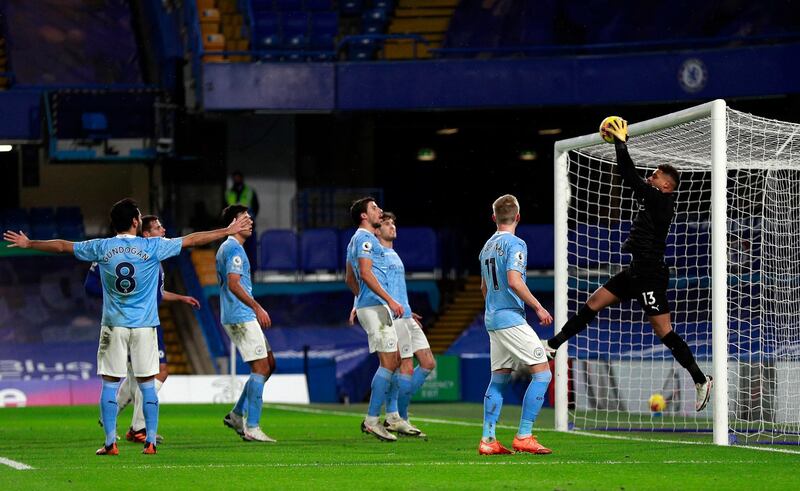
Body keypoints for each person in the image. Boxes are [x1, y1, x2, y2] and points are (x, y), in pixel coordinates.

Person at [4, 198, 252, 456]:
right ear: (135, 222)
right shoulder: (153, 246)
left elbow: (62, 246)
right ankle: (151, 441)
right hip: (145, 326)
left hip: (113, 326)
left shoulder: (101, 247)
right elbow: (192, 239)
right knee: (147, 384)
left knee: (110, 384)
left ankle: (111, 443)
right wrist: (226, 231)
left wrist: (30, 243)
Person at [544, 117, 713, 411]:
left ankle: (700, 379)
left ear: (667, 185)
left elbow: (627, 173)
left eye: (657, 175)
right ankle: (553, 345)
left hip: (650, 274)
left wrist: (621, 142)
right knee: (594, 301)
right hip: (636, 270)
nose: (651, 176)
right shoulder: (653, 197)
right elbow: (633, 177)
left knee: (663, 331)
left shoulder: (661, 200)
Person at [94, 216, 200, 444]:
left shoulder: (152, 256)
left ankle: (115, 416)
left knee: (136, 376)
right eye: (158, 227)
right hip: (138, 322)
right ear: (146, 234)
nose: (163, 229)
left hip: (141, 320)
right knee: (157, 372)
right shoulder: (139, 253)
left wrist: (180, 297)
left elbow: (157, 292)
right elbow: (92, 285)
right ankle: (138, 427)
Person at [478, 194, 554, 456]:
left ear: (494, 218)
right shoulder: (516, 243)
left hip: (492, 318)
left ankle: (488, 439)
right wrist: (538, 306)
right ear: (518, 217)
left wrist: (494, 309)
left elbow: (484, 288)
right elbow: (514, 280)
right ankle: (524, 435)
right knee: (543, 373)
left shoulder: (486, 247)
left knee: (499, 379)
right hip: (510, 317)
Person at [350, 212, 436, 438]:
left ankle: (396, 415)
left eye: (393, 223)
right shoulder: (375, 252)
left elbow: (393, 286)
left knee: (427, 363)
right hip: (392, 314)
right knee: (403, 366)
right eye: (387, 223)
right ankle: (397, 416)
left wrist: (407, 309)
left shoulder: (393, 253)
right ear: (377, 230)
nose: (392, 227)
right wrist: (357, 303)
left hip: (404, 313)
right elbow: (364, 277)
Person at [344, 197, 404, 442]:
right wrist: (389, 300)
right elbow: (365, 273)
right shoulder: (366, 239)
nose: (379, 210)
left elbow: (350, 278)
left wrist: (360, 301)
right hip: (377, 307)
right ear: (364, 216)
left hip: (371, 305)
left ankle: (389, 415)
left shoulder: (354, 240)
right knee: (389, 362)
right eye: (374, 208)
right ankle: (372, 420)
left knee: (395, 358)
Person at [218, 204, 276, 443]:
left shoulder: (231, 248)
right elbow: (233, 283)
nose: (251, 221)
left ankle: (237, 414)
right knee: (261, 368)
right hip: (240, 315)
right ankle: (252, 426)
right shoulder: (233, 249)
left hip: (241, 315)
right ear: (234, 222)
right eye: (245, 218)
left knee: (269, 363)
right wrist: (257, 306)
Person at [225, 171, 259, 270]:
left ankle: (251, 272)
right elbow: (226, 209)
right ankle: (234, 270)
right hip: (233, 227)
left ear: (242, 178)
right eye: (235, 178)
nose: (237, 180)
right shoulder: (229, 193)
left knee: (250, 250)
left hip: (247, 226)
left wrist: (248, 220)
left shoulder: (249, 191)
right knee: (233, 250)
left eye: (238, 177)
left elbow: (256, 207)